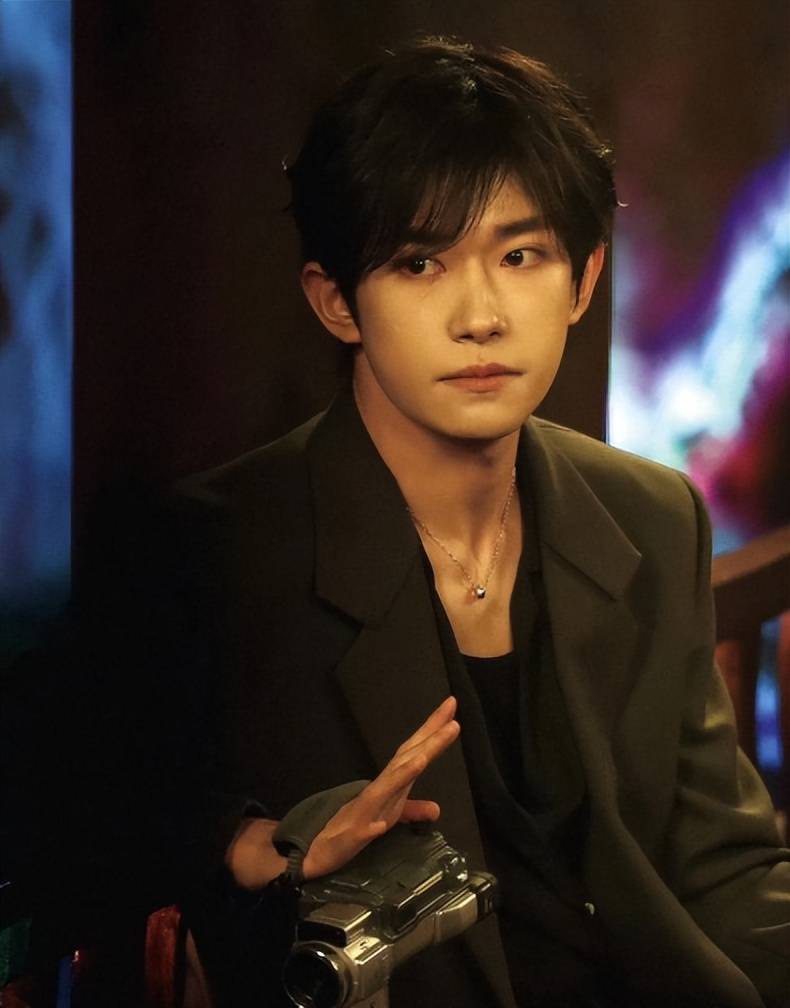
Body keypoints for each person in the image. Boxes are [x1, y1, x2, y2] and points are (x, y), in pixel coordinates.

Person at [133, 36, 789, 1008]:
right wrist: (259, 847)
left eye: (520, 256)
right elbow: (110, 821)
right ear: (336, 301)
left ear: (582, 281)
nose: (480, 315)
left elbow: (725, 868)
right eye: (419, 262)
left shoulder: (651, 515)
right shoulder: (221, 548)